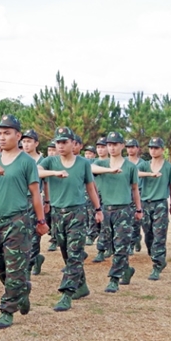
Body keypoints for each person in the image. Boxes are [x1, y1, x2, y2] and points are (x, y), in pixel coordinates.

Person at [0, 115, 48, 329]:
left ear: (18, 135)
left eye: (7, 133)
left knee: (15, 269)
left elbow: (35, 194)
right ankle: (22, 291)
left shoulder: (26, 162)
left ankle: (7, 309)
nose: (2, 137)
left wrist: (41, 220)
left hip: (18, 222)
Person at [38, 127, 102, 311]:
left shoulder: (82, 163)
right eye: (58, 142)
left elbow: (91, 188)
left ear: (74, 144)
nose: (60, 146)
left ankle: (67, 293)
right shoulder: (50, 161)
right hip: (58, 213)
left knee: (74, 253)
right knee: (66, 252)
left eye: (64, 142)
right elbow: (36, 171)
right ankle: (82, 286)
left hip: (77, 212)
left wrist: (98, 209)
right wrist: (53, 173)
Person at [91, 132, 140, 293]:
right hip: (106, 209)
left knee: (121, 245)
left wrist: (138, 209)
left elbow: (135, 189)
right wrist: (110, 171)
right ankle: (126, 270)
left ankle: (114, 279)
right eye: (109, 145)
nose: (111, 148)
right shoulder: (100, 164)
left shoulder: (130, 167)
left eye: (115, 144)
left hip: (124, 210)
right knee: (110, 244)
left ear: (122, 146)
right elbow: (90, 168)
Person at [138, 137, 171, 280]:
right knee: (148, 235)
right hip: (145, 203)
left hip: (160, 203)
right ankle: (154, 254)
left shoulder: (168, 167)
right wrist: (149, 174)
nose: (153, 150)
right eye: (151, 148)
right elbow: (134, 174)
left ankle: (157, 264)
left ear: (162, 150)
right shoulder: (144, 165)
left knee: (159, 235)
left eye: (156, 148)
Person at [21, 128, 47, 276]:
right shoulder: (20, 158)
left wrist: (47, 201)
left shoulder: (42, 161)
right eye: (24, 141)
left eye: (29, 141)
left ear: (36, 143)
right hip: (20, 200)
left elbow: (46, 183)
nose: (26, 145)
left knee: (34, 233)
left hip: (35, 199)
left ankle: (30, 264)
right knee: (23, 234)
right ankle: (34, 259)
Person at [91, 137, 112, 260]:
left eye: (103, 147)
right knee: (97, 224)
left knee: (106, 226)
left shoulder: (113, 161)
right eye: (98, 147)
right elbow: (92, 169)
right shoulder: (95, 163)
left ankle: (102, 250)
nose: (100, 149)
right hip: (97, 197)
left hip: (110, 198)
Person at [125, 138, 147, 254]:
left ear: (138, 148)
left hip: (138, 193)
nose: (130, 149)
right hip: (125, 193)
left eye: (132, 147)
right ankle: (131, 243)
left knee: (136, 221)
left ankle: (135, 240)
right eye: (128, 147)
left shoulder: (143, 163)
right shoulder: (123, 161)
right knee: (127, 221)